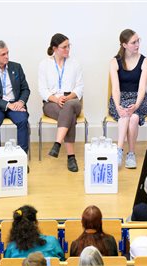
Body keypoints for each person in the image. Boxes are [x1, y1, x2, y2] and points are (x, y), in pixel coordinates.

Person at [39, 33, 84, 172]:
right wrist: (57, 99)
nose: (67, 50)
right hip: (52, 103)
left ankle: (57, 143)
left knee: (69, 107)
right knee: (68, 115)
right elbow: (42, 90)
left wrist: (68, 97)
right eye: (64, 47)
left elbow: (80, 87)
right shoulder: (44, 64)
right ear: (55, 48)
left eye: (68, 46)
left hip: (72, 100)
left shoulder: (75, 63)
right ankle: (71, 157)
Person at [108, 29, 147, 169]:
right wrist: (117, 105)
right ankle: (127, 153)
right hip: (120, 98)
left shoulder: (145, 62)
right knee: (130, 117)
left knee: (132, 115)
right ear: (124, 45)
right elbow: (115, 88)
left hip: (139, 99)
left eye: (138, 41)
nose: (137, 44)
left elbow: (142, 88)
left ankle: (120, 150)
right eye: (133, 42)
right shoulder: (115, 62)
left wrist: (137, 105)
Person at [0, 40, 30, 153]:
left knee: (23, 120)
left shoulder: (16, 67)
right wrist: (8, 105)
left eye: (7, 53)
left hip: (15, 103)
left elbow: (25, 89)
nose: (7, 56)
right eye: (3, 54)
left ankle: (22, 156)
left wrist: (21, 102)